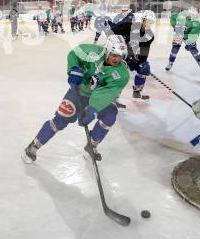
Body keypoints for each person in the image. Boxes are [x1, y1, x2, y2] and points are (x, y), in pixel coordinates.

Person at [22, 35, 129, 163]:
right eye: (113, 54)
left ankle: (92, 145)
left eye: (120, 55)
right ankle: (34, 146)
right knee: (60, 119)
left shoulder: (122, 74)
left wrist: (92, 109)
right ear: (107, 50)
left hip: (99, 98)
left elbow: (106, 93)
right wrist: (74, 69)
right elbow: (74, 54)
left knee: (110, 115)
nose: (116, 59)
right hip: (79, 91)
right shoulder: (92, 51)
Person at [109, 9, 155, 100]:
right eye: (148, 21)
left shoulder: (150, 35)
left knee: (144, 67)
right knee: (120, 73)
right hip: (121, 53)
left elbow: (144, 53)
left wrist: (140, 59)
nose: (149, 24)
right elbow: (113, 33)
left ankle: (137, 91)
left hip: (132, 55)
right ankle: (114, 96)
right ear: (143, 20)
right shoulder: (130, 26)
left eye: (151, 22)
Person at [165, 7, 200, 73]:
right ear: (188, 14)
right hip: (179, 34)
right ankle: (170, 63)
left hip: (188, 36)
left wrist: (189, 42)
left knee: (193, 50)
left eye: (194, 15)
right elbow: (173, 17)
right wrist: (175, 26)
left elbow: (193, 34)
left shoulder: (196, 23)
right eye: (191, 14)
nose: (193, 16)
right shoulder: (182, 17)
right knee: (174, 50)